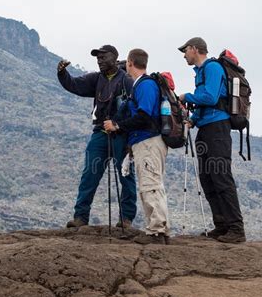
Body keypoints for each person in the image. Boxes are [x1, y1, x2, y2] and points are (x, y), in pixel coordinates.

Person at [57, 45, 137, 228]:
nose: (99, 60)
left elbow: (134, 110)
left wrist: (130, 138)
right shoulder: (96, 78)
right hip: (100, 134)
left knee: (126, 176)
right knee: (89, 174)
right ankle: (80, 217)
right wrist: (63, 74)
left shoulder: (126, 80)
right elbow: (75, 85)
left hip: (122, 136)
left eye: (103, 57)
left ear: (114, 58)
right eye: (97, 58)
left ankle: (126, 219)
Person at [178, 37, 246, 243]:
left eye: (185, 51)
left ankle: (236, 229)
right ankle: (222, 226)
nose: (184, 55)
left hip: (218, 128)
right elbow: (204, 105)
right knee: (207, 178)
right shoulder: (200, 72)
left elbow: (211, 98)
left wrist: (186, 97)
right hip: (206, 129)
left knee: (221, 176)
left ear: (195, 49)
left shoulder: (213, 67)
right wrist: (192, 121)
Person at [104, 48, 170, 244]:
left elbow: (144, 116)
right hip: (145, 141)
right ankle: (159, 229)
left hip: (148, 141)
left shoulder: (145, 85)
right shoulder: (142, 85)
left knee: (150, 185)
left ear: (130, 63)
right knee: (151, 184)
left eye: (126, 63)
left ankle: (157, 232)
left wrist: (117, 125)